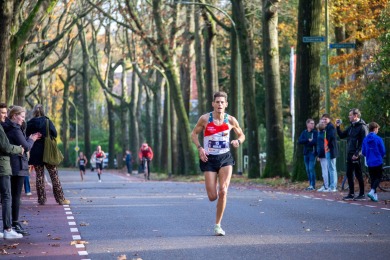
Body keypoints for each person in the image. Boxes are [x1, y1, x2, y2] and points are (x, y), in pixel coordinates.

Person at [191, 91, 245, 236]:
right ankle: (214, 190)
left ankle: (217, 225)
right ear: (213, 104)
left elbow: (241, 134)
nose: (220, 104)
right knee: (212, 196)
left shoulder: (231, 120)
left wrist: (237, 141)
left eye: (222, 102)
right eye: (217, 102)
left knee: (224, 191)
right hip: (209, 159)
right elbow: (194, 134)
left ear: (226, 104)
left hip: (225, 158)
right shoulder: (205, 119)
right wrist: (200, 148)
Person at [2, 106, 41, 236]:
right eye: (22, 116)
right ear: (14, 116)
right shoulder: (14, 129)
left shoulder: (7, 127)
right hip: (17, 165)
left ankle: (11, 224)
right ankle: (14, 223)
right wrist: (32, 139)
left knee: (9, 196)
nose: (24, 120)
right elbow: (26, 146)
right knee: (15, 196)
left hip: (10, 165)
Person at [26, 104, 70, 205]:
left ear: (34, 112)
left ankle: (41, 200)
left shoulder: (30, 123)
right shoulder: (47, 121)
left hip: (35, 152)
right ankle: (61, 199)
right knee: (54, 175)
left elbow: (27, 136)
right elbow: (55, 134)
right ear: (43, 111)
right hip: (48, 151)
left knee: (39, 176)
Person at [0, 103, 24, 239]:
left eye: (5, 112)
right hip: (3, 167)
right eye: (2, 113)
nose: (5, 115)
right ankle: (8, 229)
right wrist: (19, 149)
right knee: (7, 197)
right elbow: (5, 146)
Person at [336, 108, 368, 201]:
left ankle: (362, 194)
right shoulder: (351, 127)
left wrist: (357, 153)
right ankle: (351, 193)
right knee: (349, 174)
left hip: (356, 154)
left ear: (355, 116)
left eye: (350, 115)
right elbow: (342, 135)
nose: (348, 117)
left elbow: (364, 142)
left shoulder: (362, 127)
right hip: (349, 154)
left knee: (358, 174)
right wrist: (338, 127)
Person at [362, 122, 386, 202]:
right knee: (379, 177)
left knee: (373, 178)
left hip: (369, 161)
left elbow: (364, 152)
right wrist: (380, 156)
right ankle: (372, 191)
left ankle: (374, 196)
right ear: (375, 129)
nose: (378, 130)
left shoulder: (365, 139)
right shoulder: (378, 138)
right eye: (378, 129)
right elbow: (382, 150)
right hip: (378, 160)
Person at [298, 119, 317, 191]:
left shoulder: (315, 132)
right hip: (306, 153)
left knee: (311, 168)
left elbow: (315, 141)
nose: (313, 125)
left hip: (312, 153)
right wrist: (307, 140)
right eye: (311, 123)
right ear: (307, 124)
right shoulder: (304, 132)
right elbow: (300, 141)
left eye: (313, 123)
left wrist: (307, 142)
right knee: (307, 169)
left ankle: (313, 185)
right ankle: (310, 185)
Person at [321, 114, 339, 192]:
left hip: (330, 150)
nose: (324, 121)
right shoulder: (327, 127)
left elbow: (331, 137)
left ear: (329, 119)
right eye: (323, 119)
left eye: (326, 119)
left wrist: (328, 146)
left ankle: (333, 186)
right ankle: (332, 186)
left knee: (332, 168)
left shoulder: (330, 127)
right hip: (328, 150)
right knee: (331, 168)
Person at [316, 123, 329, 192]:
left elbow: (320, 147)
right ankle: (326, 185)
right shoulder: (325, 134)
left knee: (324, 171)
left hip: (322, 154)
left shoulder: (319, 136)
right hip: (326, 152)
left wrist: (319, 155)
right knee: (326, 169)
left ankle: (326, 186)